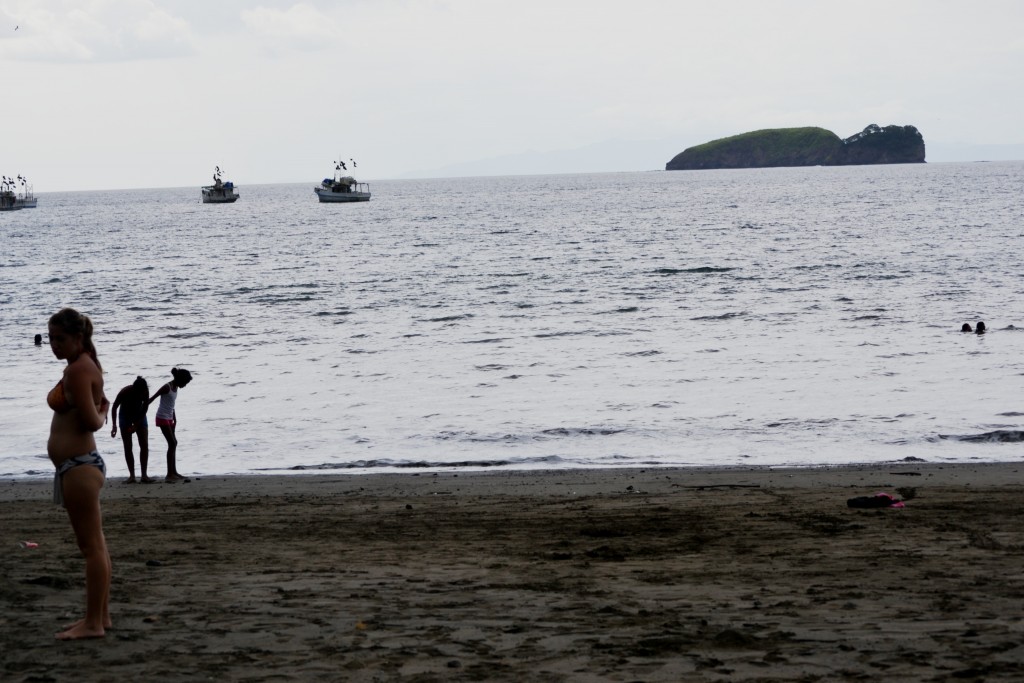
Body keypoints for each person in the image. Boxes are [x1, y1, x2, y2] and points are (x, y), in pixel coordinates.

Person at [46, 307, 112, 640]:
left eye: (60, 339)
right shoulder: (82, 366)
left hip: (80, 467)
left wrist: (103, 412)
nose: (54, 345)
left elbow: (90, 422)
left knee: (91, 548)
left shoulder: (78, 370)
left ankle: (93, 624)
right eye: (50, 339)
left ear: (77, 337)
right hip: (78, 467)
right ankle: (101, 616)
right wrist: (101, 409)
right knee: (96, 544)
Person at [148, 367, 193, 482]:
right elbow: (152, 399)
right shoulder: (166, 387)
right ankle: (169, 474)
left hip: (169, 418)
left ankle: (174, 471)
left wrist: (174, 418)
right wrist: (140, 410)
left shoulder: (176, 387)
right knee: (172, 443)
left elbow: (171, 404)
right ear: (180, 379)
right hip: (162, 417)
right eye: (185, 383)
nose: (185, 385)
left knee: (174, 443)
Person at [111, 376, 152, 483]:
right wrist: (114, 425)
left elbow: (145, 409)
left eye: (142, 393)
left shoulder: (145, 392)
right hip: (125, 416)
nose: (140, 395)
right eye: (138, 393)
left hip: (139, 414)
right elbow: (114, 407)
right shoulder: (125, 391)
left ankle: (144, 475)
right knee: (128, 446)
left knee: (144, 444)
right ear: (134, 389)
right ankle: (132, 476)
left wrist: (136, 425)